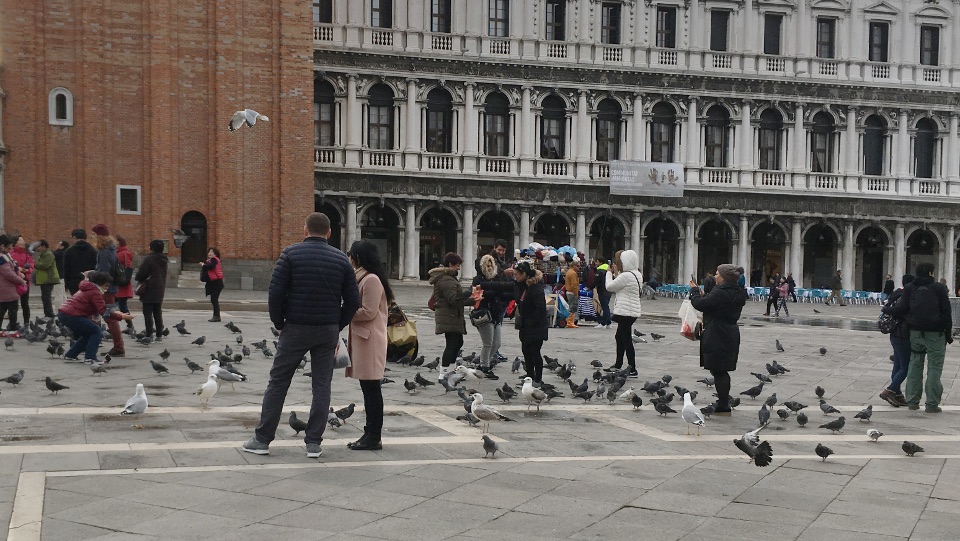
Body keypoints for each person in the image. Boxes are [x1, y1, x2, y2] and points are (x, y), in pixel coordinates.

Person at [243, 212, 360, 458]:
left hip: (295, 327)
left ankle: (262, 440)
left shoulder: (290, 254)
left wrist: (279, 322)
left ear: (305, 230)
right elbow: (353, 300)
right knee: (321, 385)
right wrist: (337, 323)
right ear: (329, 233)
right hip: (327, 330)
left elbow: (275, 293)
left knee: (278, 382)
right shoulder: (341, 260)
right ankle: (314, 443)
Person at [885, 262, 952, 413]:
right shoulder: (939, 288)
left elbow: (901, 309)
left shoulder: (910, 288)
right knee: (934, 369)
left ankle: (913, 402)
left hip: (915, 333)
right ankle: (932, 404)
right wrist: (948, 334)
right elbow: (947, 312)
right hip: (936, 334)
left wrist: (887, 309)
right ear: (930, 273)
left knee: (915, 366)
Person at [344, 240, 392, 451]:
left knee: (372, 391)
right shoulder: (363, 277)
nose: (349, 258)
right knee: (368, 389)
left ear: (358, 257)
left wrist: (344, 313)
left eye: (350, 254)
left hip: (370, 341)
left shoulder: (371, 279)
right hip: (365, 339)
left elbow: (368, 311)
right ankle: (369, 433)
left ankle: (373, 436)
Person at [688, 264, 747, 416]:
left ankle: (723, 403)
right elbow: (713, 305)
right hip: (729, 332)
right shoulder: (736, 291)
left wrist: (694, 291)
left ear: (724, 277)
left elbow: (700, 305)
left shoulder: (722, 292)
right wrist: (703, 295)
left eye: (717, 274)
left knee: (719, 370)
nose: (715, 276)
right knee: (721, 369)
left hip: (718, 333)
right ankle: (723, 401)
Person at [57, 271, 135, 364]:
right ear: (101, 283)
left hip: (65, 313)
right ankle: (90, 357)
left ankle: (71, 354)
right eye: (106, 284)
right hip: (71, 314)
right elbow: (103, 311)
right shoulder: (95, 292)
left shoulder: (89, 288)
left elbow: (100, 307)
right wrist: (121, 317)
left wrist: (116, 313)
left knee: (88, 333)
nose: (108, 287)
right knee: (96, 330)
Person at [429, 252, 476, 372]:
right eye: (457, 265)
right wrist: (471, 299)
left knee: (457, 342)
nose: (459, 268)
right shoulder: (446, 279)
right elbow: (453, 299)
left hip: (451, 315)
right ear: (450, 264)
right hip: (449, 315)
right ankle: (444, 373)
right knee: (452, 344)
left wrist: (467, 295)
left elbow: (454, 296)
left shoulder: (448, 278)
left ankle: (450, 369)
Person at [472, 254, 513, 378]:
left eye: (491, 265)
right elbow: (480, 295)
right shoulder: (478, 279)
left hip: (496, 314)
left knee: (497, 343)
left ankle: (484, 363)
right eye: (487, 266)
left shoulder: (496, 278)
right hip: (484, 314)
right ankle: (484, 366)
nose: (489, 268)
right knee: (488, 343)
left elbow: (502, 292)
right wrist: (495, 291)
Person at [605, 249, 643, 378]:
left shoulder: (626, 276)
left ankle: (632, 369)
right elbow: (621, 285)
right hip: (631, 311)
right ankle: (618, 364)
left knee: (626, 340)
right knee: (619, 337)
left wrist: (609, 274)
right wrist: (616, 273)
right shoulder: (637, 274)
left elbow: (610, 287)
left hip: (625, 312)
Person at [90, 224, 126, 356]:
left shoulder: (104, 252)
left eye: (93, 235)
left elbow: (104, 274)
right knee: (105, 317)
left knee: (109, 318)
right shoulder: (111, 250)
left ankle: (118, 347)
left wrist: (91, 274)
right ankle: (116, 345)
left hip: (105, 290)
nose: (91, 237)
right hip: (110, 288)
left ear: (99, 236)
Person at [879, 274, 914, 407]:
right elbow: (903, 313)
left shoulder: (895, 294)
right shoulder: (906, 296)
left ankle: (897, 394)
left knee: (898, 364)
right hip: (903, 334)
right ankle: (890, 390)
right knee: (905, 366)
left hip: (893, 333)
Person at [512, 260, 548, 384]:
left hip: (536, 327)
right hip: (525, 327)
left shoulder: (536, 288)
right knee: (526, 351)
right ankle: (529, 375)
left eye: (517, 274)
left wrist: (531, 322)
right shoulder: (522, 286)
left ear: (524, 274)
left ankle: (538, 379)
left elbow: (541, 309)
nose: (515, 277)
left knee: (534, 352)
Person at [135, 240, 169, 342]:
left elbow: (142, 273)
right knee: (157, 311)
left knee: (148, 312)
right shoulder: (164, 259)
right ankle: (159, 334)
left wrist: (138, 277)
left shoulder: (149, 259)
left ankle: (149, 333)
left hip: (149, 287)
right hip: (160, 287)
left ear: (152, 247)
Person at [0, 235, 27, 330]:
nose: (10, 249)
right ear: (2, 246)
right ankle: (12, 328)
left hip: (6, 290)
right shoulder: (1, 258)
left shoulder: (5, 255)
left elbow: (12, 267)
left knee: (3, 309)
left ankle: (11, 328)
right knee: (11, 309)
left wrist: (18, 270)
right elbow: (8, 273)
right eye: (9, 247)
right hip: (6, 290)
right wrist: (21, 280)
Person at [62, 229, 98, 295]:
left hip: (74, 282)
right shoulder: (93, 250)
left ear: (74, 237)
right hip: (89, 281)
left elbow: (66, 269)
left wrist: (66, 284)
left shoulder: (69, 251)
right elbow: (96, 265)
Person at [32, 240, 61, 318]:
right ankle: (47, 313)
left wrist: (34, 263)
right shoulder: (43, 254)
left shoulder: (48, 254)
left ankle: (49, 313)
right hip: (45, 279)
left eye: (39, 247)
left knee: (46, 297)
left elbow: (45, 265)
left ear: (43, 246)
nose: (38, 248)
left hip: (48, 279)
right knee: (45, 297)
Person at [10, 235, 34, 323]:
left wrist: (27, 270)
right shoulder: (10, 253)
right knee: (13, 304)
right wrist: (18, 269)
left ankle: (26, 322)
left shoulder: (27, 253)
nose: (23, 242)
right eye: (20, 240)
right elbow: (9, 265)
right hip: (14, 280)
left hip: (25, 280)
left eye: (23, 240)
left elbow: (31, 264)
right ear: (15, 242)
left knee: (25, 303)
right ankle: (13, 323)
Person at [115, 236, 135, 328]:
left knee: (120, 306)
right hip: (122, 283)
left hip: (120, 283)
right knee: (121, 305)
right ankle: (129, 326)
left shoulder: (121, 253)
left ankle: (129, 326)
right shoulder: (124, 252)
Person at [201, 247, 224, 322]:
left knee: (214, 300)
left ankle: (216, 316)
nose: (209, 253)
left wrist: (204, 265)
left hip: (217, 283)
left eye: (211, 252)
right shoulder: (209, 261)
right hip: (213, 283)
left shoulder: (214, 260)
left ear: (215, 254)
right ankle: (216, 316)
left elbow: (211, 267)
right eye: (209, 252)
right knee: (213, 300)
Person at [594, 259, 612, 329]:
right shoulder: (608, 270)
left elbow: (596, 281)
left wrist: (592, 286)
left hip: (602, 291)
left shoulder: (599, 270)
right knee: (606, 307)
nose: (596, 263)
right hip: (608, 291)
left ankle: (603, 323)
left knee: (604, 307)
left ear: (601, 262)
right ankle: (608, 322)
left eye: (597, 261)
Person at [564, 259, 580, 328]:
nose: (578, 268)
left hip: (568, 292)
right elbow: (574, 285)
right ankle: (570, 322)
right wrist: (576, 293)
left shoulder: (569, 272)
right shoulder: (573, 273)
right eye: (577, 266)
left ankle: (569, 321)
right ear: (573, 266)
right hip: (572, 292)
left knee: (570, 306)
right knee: (573, 307)